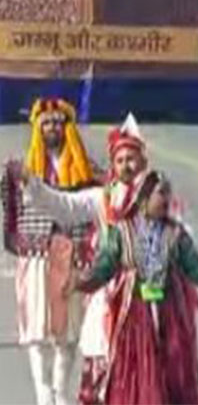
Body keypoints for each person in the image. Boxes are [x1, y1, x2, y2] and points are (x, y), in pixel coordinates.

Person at [21, 116, 173, 405]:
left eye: (132, 159)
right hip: (108, 305)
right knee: (98, 385)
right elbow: (64, 206)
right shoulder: (101, 198)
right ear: (113, 165)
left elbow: (176, 242)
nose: (126, 165)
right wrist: (32, 183)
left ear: (143, 161)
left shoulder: (158, 201)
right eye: (120, 160)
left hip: (146, 305)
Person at [77, 170, 198, 405]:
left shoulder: (175, 233)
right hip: (135, 317)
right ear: (144, 197)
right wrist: (81, 283)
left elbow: (195, 267)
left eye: (168, 193)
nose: (166, 200)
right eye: (160, 194)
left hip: (170, 315)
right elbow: (104, 267)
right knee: (137, 370)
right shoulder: (122, 232)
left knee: (173, 369)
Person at [3, 98, 100, 405]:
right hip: (36, 256)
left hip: (73, 254)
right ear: (37, 128)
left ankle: (60, 392)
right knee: (36, 329)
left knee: (69, 331)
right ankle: (43, 393)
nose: (53, 128)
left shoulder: (88, 169)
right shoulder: (23, 170)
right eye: (46, 123)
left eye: (58, 122)